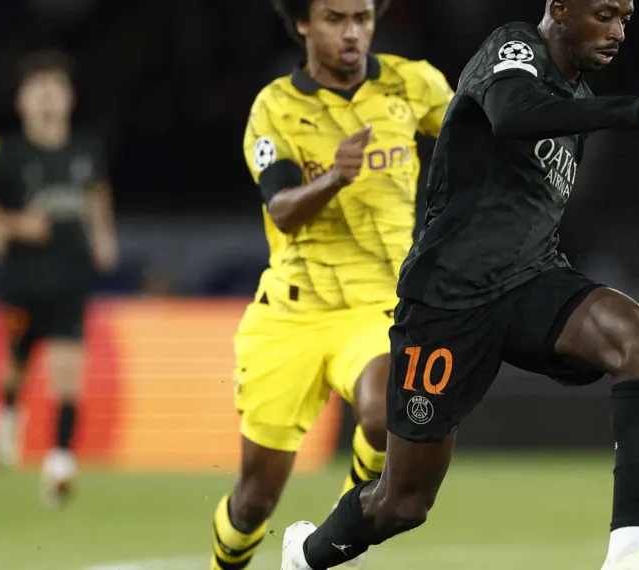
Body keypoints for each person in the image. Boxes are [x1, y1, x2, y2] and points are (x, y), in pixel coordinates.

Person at [279, 1, 639, 569]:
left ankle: (627, 553)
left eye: (625, 18)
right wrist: (632, 111)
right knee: (402, 503)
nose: (618, 32)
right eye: (604, 14)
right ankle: (305, 556)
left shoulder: (577, 104)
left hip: (532, 282)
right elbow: (510, 113)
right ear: (560, 8)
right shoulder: (514, 49)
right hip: (448, 297)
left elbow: (529, 211)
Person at [212, 0, 453, 568]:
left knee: (385, 407)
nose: (353, 32)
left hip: (377, 305)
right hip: (291, 313)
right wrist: (337, 178)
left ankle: (354, 520)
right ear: (302, 23)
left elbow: (483, 130)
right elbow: (282, 209)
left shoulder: (410, 83)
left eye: (363, 18)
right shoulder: (276, 106)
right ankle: (229, 560)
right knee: (253, 500)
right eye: (335, 19)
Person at [0, 50, 119, 508]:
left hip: (70, 276)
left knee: (67, 372)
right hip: (23, 278)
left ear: (68, 98)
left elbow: (98, 192)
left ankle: (60, 462)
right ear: (22, 101)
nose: (46, 99)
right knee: (17, 363)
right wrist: (15, 226)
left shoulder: (85, 149)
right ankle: (8, 409)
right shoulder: (12, 154)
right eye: (36, 91)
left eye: (54, 90)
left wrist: (103, 236)